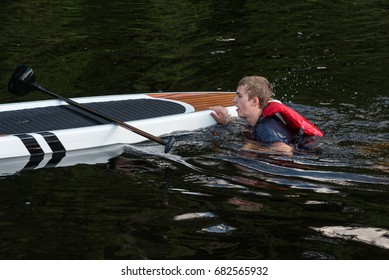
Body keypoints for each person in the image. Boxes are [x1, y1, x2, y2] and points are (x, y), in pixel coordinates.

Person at [210, 76, 323, 154]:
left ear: (255, 101)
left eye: (239, 96)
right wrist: (226, 121)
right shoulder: (261, 122)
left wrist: (253, 148)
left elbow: (285, 150)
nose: (234, 100)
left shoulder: (265, 127)